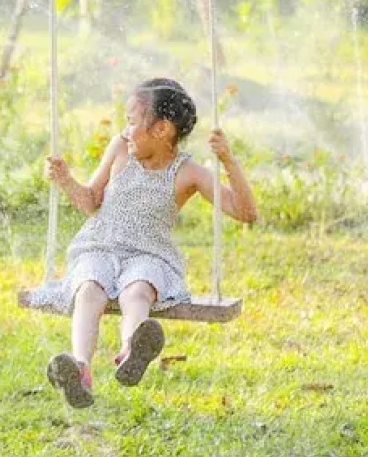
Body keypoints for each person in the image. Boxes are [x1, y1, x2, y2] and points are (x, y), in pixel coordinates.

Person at [40, 78, 258, 407]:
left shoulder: (188, 173)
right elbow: (90, 201)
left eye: (132, 122)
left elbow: (245, 212)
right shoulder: (119, 150)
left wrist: (228, 161)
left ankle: (133, 351)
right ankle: (80, 369)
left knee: (138, 290)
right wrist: (66, 180)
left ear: (162, 130)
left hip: (148, 254)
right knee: (89, 288)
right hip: (101, 245)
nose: (126, 131)